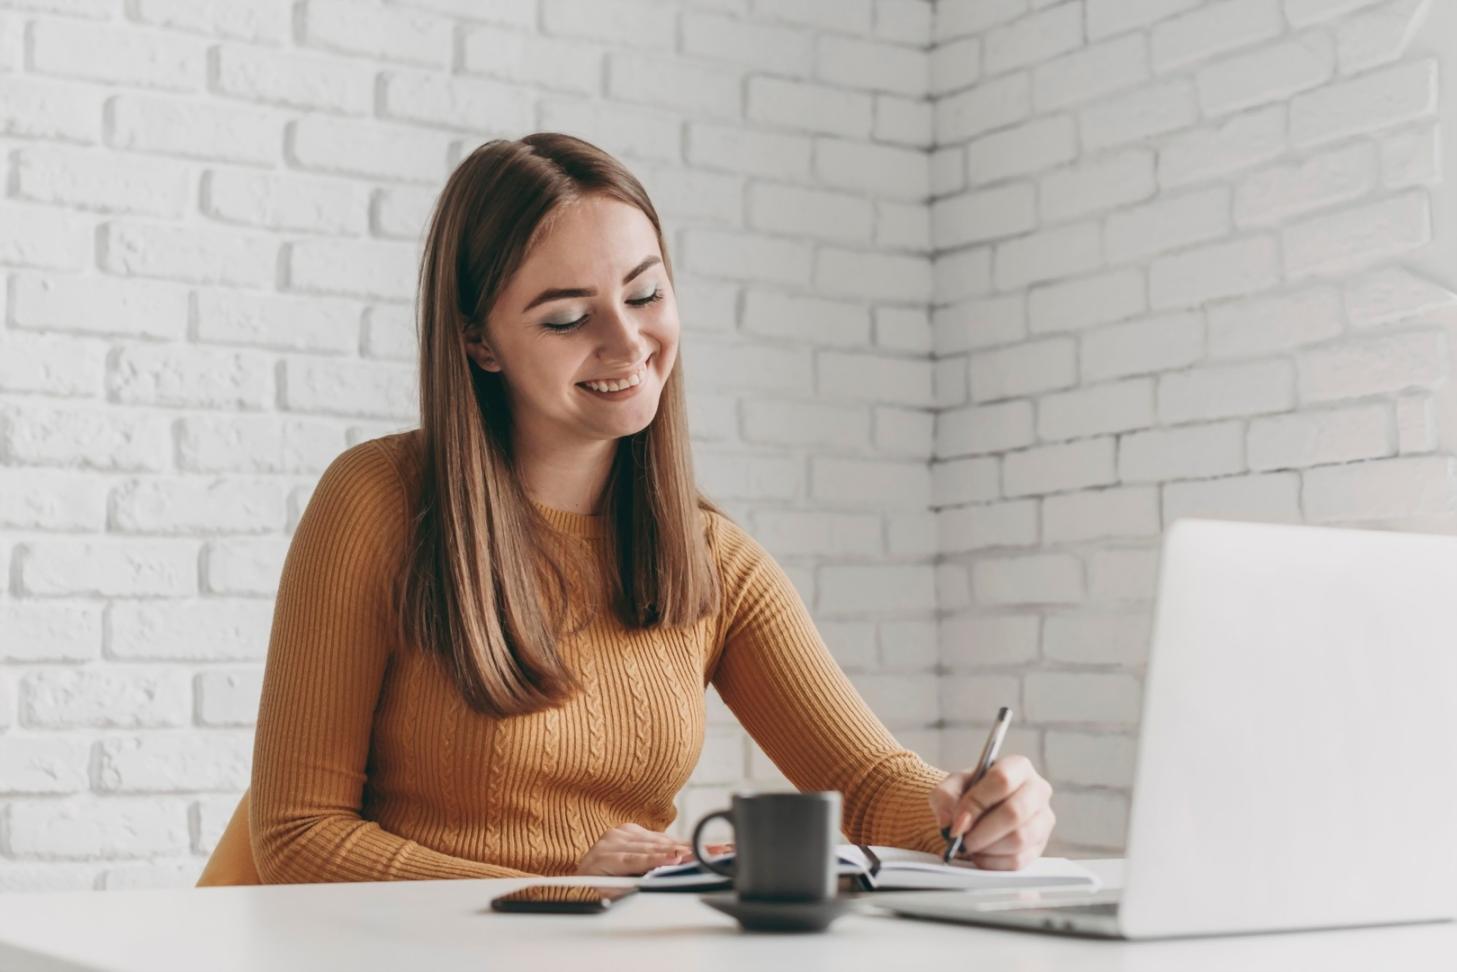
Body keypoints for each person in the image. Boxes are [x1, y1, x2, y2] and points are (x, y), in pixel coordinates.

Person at [196, 133, 1055, 886]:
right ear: (476, 341)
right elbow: (298, 838)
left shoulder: (712, 559)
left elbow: (865, 781)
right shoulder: (379, 502)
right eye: (568, 317)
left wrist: (964, 811)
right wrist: (560, 887)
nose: (626, 342)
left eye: (644, 295)